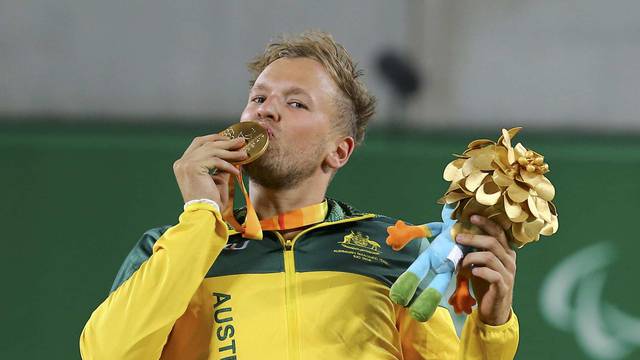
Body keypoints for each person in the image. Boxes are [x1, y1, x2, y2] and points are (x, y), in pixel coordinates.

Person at [79, 31, 519, 360]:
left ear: (339, 150)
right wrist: (200, 218)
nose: (265, 109)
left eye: (296, 104)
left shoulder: (397, 253)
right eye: (258, 98)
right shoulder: (172, 249)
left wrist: (492, 326)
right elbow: (107, 354)